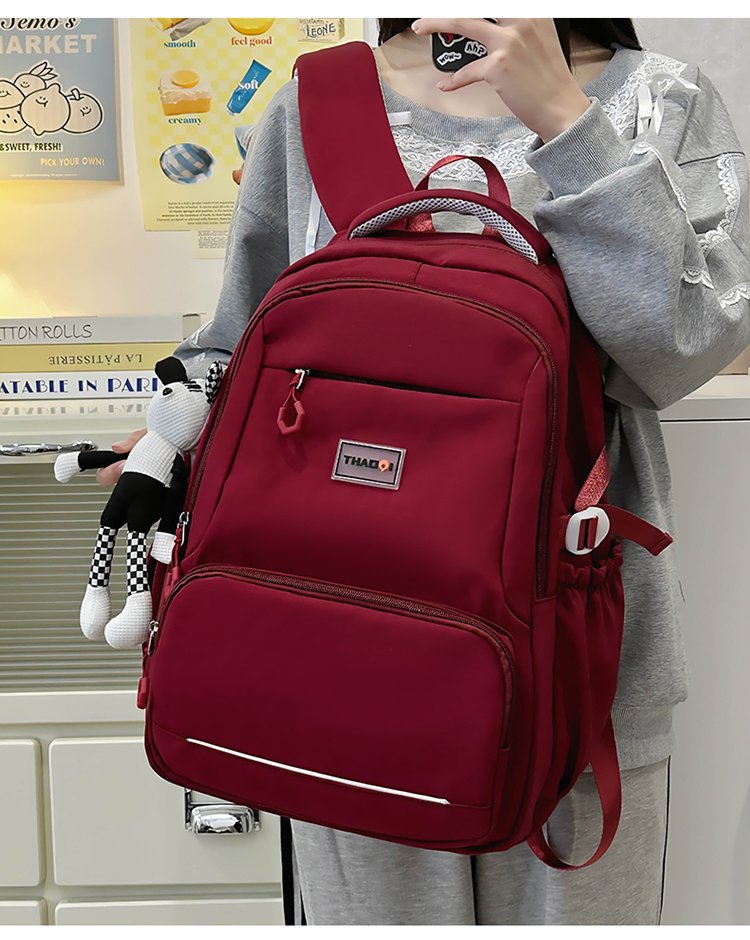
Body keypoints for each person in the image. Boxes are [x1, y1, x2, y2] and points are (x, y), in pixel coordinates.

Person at [107, 19, 750, 925]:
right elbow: (244, 335)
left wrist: (565, 119)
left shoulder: (663, 99)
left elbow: (679, 352)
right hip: (330, 631)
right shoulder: (317, 100)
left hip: (578, 651)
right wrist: (169, 440)